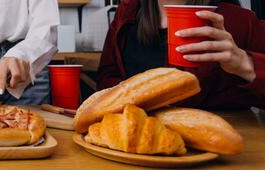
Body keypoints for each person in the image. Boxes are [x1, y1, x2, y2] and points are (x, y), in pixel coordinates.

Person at [98, 0, 265, 109]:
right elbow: (107, 78)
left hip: (222, 152)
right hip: (135, 142)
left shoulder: (241, 21)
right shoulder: (127, 14)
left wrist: (246, 65)